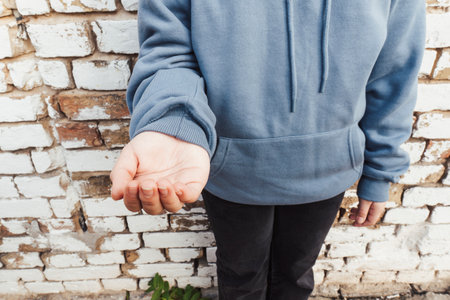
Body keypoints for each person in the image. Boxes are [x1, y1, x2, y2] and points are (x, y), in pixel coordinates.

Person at [110, 0, 426, 299]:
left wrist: (380, 169)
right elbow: (170, 49)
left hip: (326, 168)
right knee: (240, 275)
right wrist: (174, 123)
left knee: (296, 274)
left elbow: (395, 69)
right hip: (231, 168)